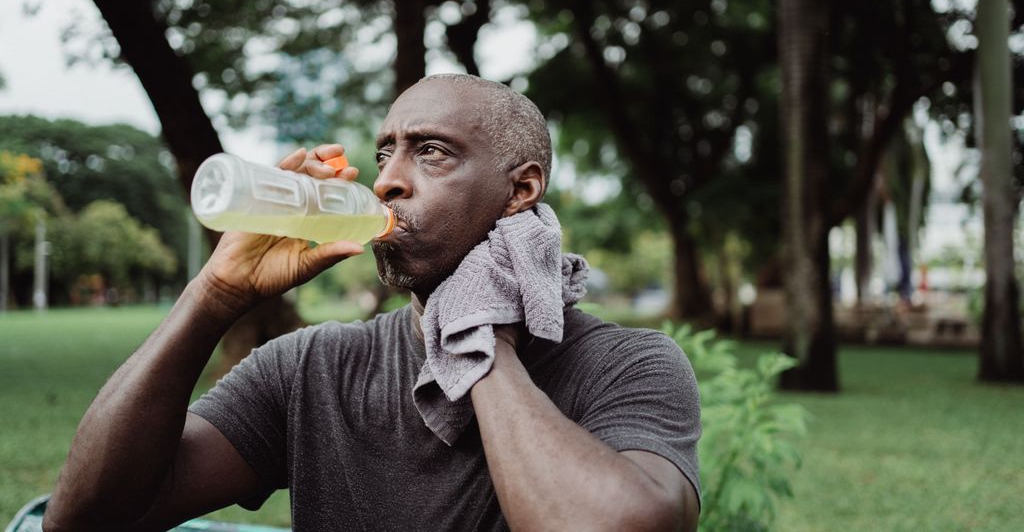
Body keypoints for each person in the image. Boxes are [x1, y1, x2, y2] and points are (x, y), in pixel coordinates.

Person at [44, 74, 702, 532]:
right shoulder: (312, 368)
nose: (387, 179)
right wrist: (214, 296)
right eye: (386, 151)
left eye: (432, 153)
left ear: (520, 191)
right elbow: (84, 517)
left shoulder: (629, 365)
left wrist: (478, 335)